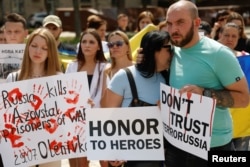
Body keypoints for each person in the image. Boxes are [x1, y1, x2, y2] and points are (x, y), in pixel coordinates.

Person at [164, 1, 249, 166]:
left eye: (180, 22)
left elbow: (244, 99)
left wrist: (205, 94)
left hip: (214, 147)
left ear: (196, 23)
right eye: (169, 24)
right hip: (177, 147)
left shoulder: (219, 54)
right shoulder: (171, 50)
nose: (173, 29)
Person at [101, 30, 173, 167]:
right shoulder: (124, 77)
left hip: (168, 156)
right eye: (169, 48)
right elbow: (108, 116)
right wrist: (113, 151)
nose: (173, 52)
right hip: (137, 159)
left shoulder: (171, 77)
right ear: (154, 51)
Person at [5, 28, 62, 167]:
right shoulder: (13, 78)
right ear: (27, 47)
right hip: (21, 147)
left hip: (50, 146)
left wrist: (82, 104)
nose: (38, 51)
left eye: (44, 48)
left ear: (51, 52)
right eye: (34, 46)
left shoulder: (60, 79)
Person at [65, 29, 107, 167]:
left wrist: (91, 104)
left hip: (99, 120)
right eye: (84, 42)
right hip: (76, 120)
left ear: (99, 46)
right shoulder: (72, 66)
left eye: (91, 42)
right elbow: (66, 93)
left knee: (105, 160)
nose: (87, 45)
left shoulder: (105, 67)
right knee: (81, 162)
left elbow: (105, 94)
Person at [218, 22, 250, 151]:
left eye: (234, 36)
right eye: (226, 35)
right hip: (219, 125)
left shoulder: (246, 59)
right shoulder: (209, 58)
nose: (230, 39)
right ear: (220, 35)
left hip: (242, 124)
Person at [102, 30, 133, 95]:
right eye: (111, 45)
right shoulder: (107, 72)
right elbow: (104, 98)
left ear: (127, 47)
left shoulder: (139, 67)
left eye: (119, 43)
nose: (115, 47)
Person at [2, 13, 29, 78]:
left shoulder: (34, 53)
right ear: (4, 33)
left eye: (17, 32)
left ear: (26, 33)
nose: (12, 35)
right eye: (9, 32)